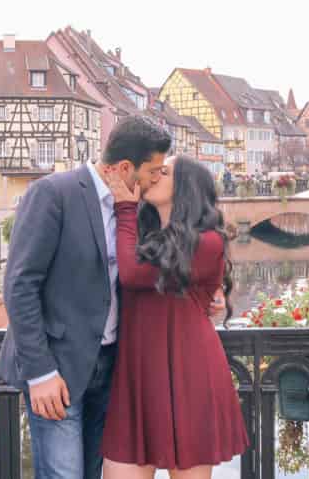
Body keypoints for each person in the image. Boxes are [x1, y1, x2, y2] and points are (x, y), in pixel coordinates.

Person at [0, 117, 225, 479]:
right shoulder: (55, 193)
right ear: (123, 168)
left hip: (114, 369)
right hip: (59, 368)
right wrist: (39, 372)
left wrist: (213, 295)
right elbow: (19, 284)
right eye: (153, 170)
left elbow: (177, 260)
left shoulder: (143, 212)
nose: (156, 178)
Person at [102, 155, 249, 477]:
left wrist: (125, 208)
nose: (153, 176)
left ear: (185, 188)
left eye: (163, 172)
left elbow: (132, 274)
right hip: (136, 374)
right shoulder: (143, 234)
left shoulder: (208, 242)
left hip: (187, 371)